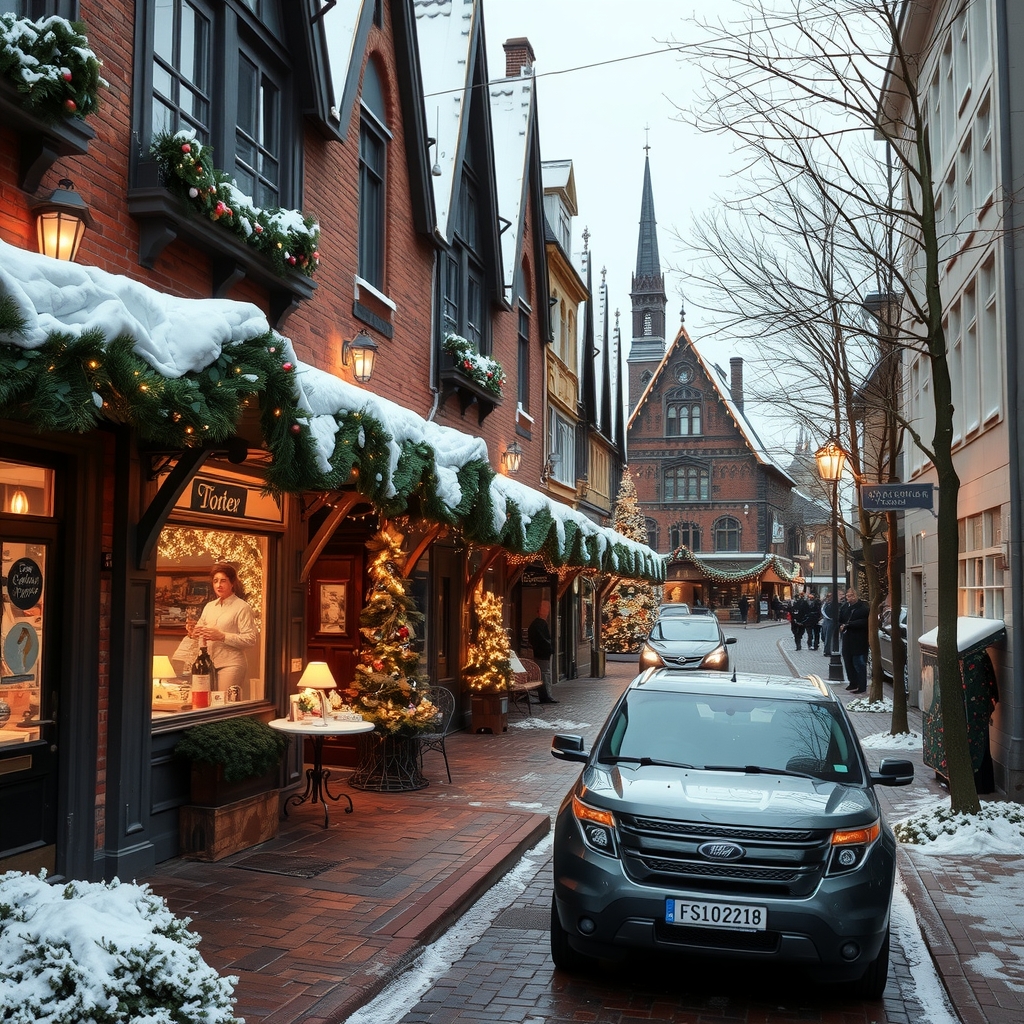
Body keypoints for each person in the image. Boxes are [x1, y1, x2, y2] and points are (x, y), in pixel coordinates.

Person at [186, 563, 258, 695]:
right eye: (215, 581)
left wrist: (222, 636)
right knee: (204, 703)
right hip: (207, 663)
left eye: (223, 581)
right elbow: (201, 630)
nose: (219, 585)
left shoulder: (242, 607)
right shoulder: (209, 606)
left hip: (231, 664)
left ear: (232, 583)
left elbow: (250, 639)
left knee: (224, 705)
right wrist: (194, 632)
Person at [527, 599, 558, 704]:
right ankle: (546, 696)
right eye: (545, 608)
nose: (547, 611)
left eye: (548, 608)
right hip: (542, 654)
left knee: (544, 674)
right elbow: (541, 640)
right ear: (539, 610)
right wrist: (548, 648)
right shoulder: (538, 624)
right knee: (544, 674)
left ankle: (546, 696)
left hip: (542, 653)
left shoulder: (539, 624)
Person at [839, 587, 869, 693]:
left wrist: (849, 625)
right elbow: (840, 619)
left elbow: (865, 622)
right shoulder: (845, 607)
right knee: (848, 662)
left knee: (859, 663)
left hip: (859, 640)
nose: (848, 598)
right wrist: (841, 626)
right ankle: (853, 683)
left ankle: (861, 686)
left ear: (856, 596)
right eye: (847, 596)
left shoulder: (863, 608)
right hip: (847, 639)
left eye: (851, 596)